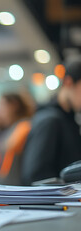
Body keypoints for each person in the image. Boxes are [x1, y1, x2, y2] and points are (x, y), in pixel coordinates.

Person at [21, 57, 81, 185]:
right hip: (55, 202)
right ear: (69, 82)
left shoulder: (69, 120)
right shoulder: (49, 120)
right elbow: (35, 176)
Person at [0, 92, 35, 185]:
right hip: (6, 180)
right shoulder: (11, 127)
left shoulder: (23, 125)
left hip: (14, 182)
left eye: (1, 105)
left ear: (13, 105)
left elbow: (9, 146)